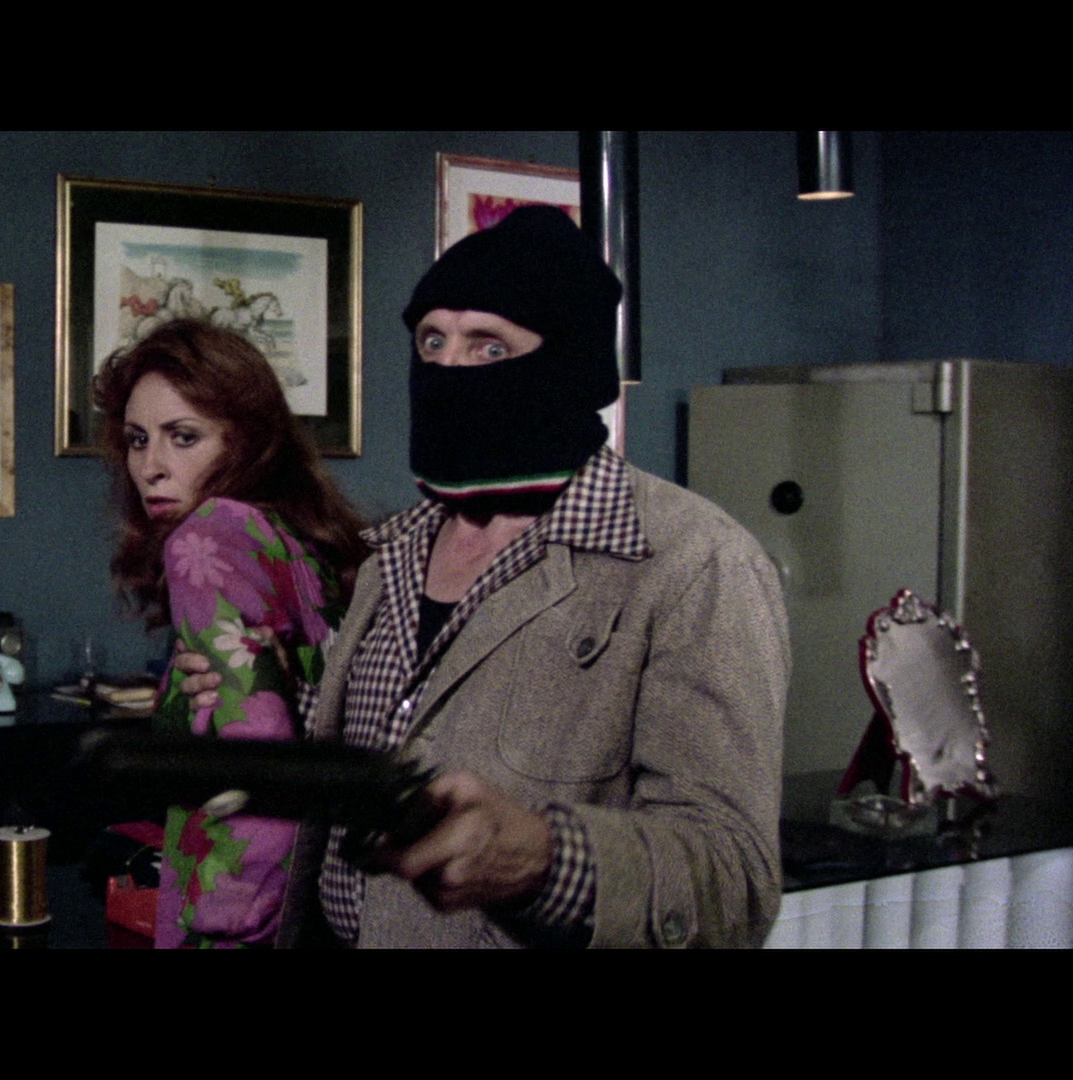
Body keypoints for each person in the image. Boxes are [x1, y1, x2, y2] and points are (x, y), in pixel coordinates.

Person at [183, 206, 789, 948]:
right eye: (432, 341)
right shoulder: (389, 553)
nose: (447, 371)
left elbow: (732, 881)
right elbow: (387, 745)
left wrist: (542, 861)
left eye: (488, 346)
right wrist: (274, 692)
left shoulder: (693, 566)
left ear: (567, 365)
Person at [93, 319, 368, 948]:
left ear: (246, 441)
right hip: (326, 888)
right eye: (137, 440)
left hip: (245, 900)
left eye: (183, 437)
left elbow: (259, 754)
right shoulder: (298, 536)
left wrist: (227, 910)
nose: (151, 467)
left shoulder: (209, 534)